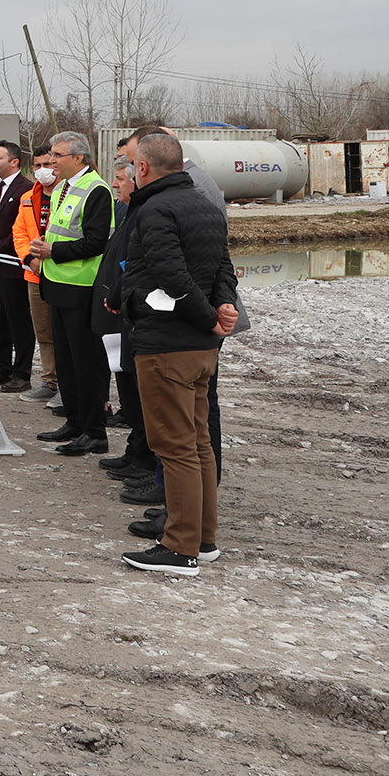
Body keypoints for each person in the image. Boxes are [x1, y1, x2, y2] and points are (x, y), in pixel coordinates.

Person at [116, 133, 237, 575]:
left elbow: (170, 274)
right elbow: (224, 267)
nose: (128, 172)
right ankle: (204, 539)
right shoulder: (205, 203)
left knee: (175, 446)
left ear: (143, 168)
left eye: (131, 166)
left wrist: (209, 316)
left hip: (168, 346)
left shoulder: (156, 209)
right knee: (200, 443)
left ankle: (180, 547)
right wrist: (222, 307)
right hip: (201, 348)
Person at [30, 131, 115, 457]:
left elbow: (96, 242)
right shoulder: (64, 187)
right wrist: (42, 252)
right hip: (57, 284)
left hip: (81, 288)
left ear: (79, 157)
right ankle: (75, 420)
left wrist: (54, 251)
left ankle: (94, 432)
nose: (51, 161)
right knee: (65, 362)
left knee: (85, 363)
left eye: (57, 155)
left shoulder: (96, 190)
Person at [92, 155, 156, 485]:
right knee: (129, 387)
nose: (114, 184)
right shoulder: (127, 211)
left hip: (137, 315)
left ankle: (145, 459)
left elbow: (134, 263)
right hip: (122, 311)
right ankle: (136, 450)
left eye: (120, 179)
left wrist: (118, 296)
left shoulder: (145, 213)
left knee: (142, 393)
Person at [0, 141, 35, 390]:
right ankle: (0, 366)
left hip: (12, 263)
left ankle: (22, 372)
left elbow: (21, 229)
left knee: (18, 320)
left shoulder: (27, 189)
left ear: (14, 161)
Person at [12, 144, 60, 404]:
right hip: (35, 275)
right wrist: (29, 259)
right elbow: (19, 232)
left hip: (64, 273)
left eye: (48, 165)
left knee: (64, 331)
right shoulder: (29, 197)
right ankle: (50, 381)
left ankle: (68, 384)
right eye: (38, 166)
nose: (42, 171)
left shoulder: (69, 195)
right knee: (43, 332)